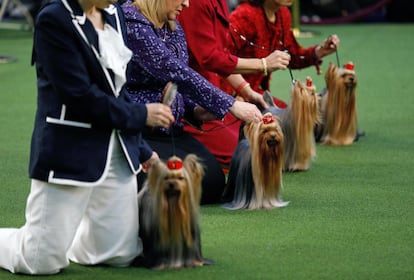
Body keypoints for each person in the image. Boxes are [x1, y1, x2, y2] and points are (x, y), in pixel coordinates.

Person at [0, 0, 175, 275]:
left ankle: (64, 235)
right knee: (39, 261)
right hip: (69, 151)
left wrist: (142, 149)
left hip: (116, 151)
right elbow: (79, 96)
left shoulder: (115, 15)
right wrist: (141, 115)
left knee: (119, 255)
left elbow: (118, 91)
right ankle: (43, 239)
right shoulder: (53, 20)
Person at [121, 0, 263, 204]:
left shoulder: (174, 26)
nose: (187, 4)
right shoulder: (132, 22)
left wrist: (196, 110)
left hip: (171, 129)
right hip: (139, 129)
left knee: (212, 182)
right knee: (161, 180)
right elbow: (176, 72)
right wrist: (230, 104)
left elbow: (177, 85)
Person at [177, 0, 291, 168]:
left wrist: (247, 91)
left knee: (261, 134)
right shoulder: (198, 4)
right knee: (247, 151)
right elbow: (211, 58)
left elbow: (220, 55)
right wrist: (263, 64)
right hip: (196, 101)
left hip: (215, 94)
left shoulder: (221, 2)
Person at [227, 0, 340, 93]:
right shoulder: (243, 15)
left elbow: (293, 56)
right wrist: (242, 92)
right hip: (229, 96)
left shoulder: (283, 14)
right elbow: (221, 61)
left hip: (256, 94)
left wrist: (320, 51)